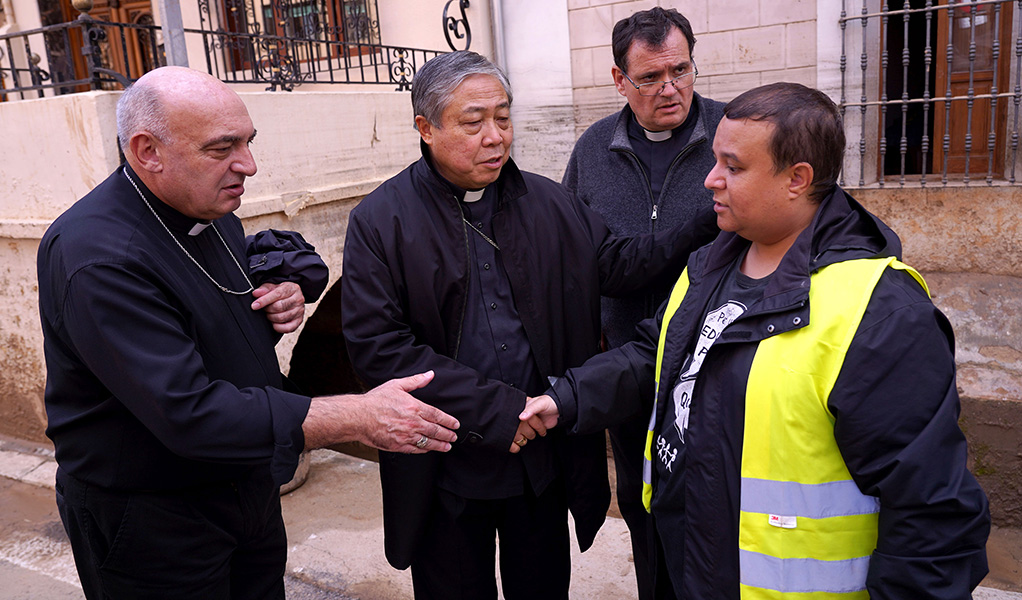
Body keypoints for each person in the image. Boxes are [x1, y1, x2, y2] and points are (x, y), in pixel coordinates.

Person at [522, 82, 990, 599]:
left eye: (733, 166)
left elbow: (931, 518)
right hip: (685, 563)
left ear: (797, 178)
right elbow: (655, 353)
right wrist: (565, 398)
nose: (710, 180)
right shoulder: (713, 261)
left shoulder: (882, 314)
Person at [37, 66, 460, 600]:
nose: (249, 166)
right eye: (223, 148)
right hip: (154, 520)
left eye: (249, 142)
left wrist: (286, 283)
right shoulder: (99, 259)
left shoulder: (203, 206)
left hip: (247, 491)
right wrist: (357, 415)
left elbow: (256, 261)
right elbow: (190, 413)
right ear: (148, 152)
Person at [340, 51, 716, 600]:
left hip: (539, 458)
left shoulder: (547, 201)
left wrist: (711, 224)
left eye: (504, 117)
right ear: (426, 127)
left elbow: (615, 264)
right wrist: (500, 412)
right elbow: (381, 350)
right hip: (445, 463)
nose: (496, 136)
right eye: (474, 122)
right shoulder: (379, 221)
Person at [561, 8, 723, 597]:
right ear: (618, 79)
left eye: (681, 70)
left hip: (719, 364)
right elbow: (579, 260)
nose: (671, 88)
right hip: (631, 366)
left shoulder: (734, 136)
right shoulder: (592, 151)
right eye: (651, 78)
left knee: (714, 504)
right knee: (641, 500)